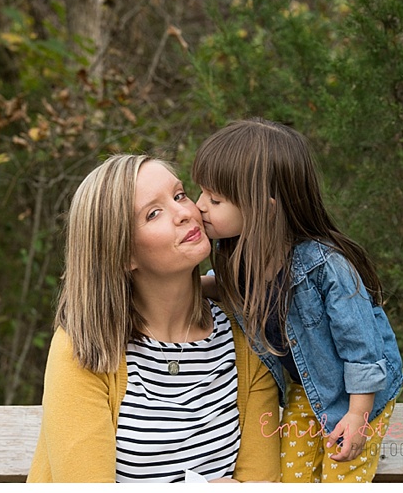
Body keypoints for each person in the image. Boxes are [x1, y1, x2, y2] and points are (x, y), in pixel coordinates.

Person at [27, 154, 280, 483]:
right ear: (122, 253)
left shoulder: (245, 334)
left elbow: (262, 482)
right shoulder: (85, 347)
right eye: (153, 213)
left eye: (179, 195)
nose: (185, 213)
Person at [191, 118, 403, 483]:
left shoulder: (327, 267)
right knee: (291, 477)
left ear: (265, 208)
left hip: (359, 396)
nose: (199, 207)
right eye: (201, 194)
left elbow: (363, 350)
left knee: (341, 473)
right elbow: (227, 291)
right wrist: (182, 286)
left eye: (215, 199)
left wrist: (358, 416)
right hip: (305, 389)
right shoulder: (240, 254)